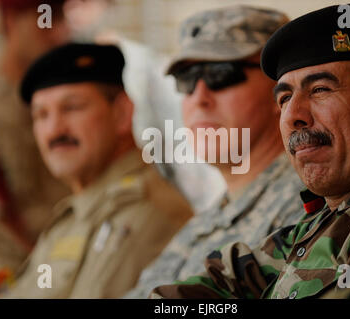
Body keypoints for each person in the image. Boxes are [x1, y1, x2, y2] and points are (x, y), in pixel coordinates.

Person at [150, 3, 350, 299]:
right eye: (285, 98)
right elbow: (199, 292)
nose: (293, 115)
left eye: (320, 89)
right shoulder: (319, 223)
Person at [125, 5, 305, 298]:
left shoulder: (308, 207)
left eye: (221, 74)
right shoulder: (208, 220)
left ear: (282, 90)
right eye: (186, 79)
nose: (199, 97)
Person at [0, 43, 193, 298]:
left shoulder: (143, 211)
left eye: (72, 107)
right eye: (41, 115)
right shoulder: (78, 213)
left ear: (122, 113)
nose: (54, 130)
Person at [0, 0, 71, 244]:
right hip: (5, 264)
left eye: (60, 18)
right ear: (10, 21)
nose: (59, 32)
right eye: (45, 20)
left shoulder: (76, 96)